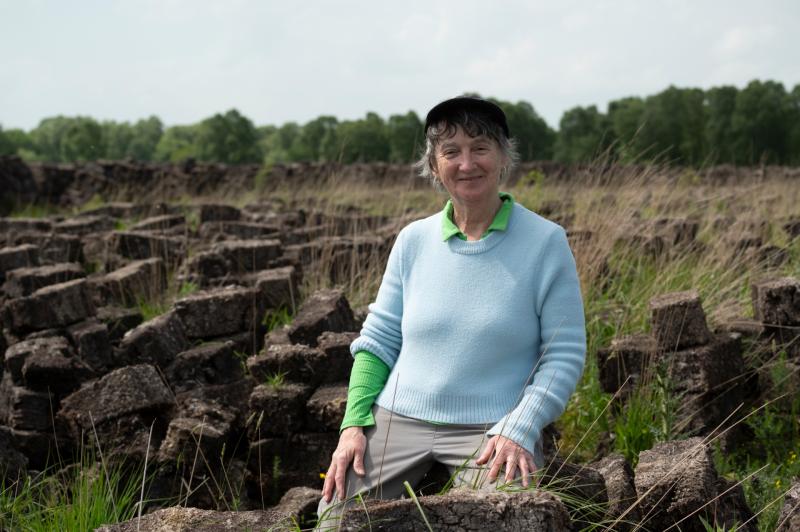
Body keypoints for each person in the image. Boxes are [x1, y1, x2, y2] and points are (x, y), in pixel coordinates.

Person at [317, 96, 586, 525]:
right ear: (435, 166)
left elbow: (564, 352)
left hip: (490, 426)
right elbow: (379, 341)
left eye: (480, 148)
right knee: (336, 518)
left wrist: (520, 427)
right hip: (397, 418)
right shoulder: (413, 240)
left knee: (514, 520)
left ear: (502, 158)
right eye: (451, 152)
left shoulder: (546, 242)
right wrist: (352, 426)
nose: (467, 163)